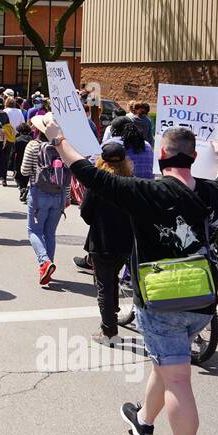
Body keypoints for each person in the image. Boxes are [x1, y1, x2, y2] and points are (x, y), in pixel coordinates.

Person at [45, 117, 218, 435]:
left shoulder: (145, 192)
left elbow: (88, 172)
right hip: (201, 298)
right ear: (194, 156)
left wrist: (57, 138)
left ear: (162, 154)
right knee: (166, 362)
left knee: (178, 378)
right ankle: (144, 423)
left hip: (162, 298)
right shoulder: (212, 191)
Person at [81, 141, 135, 346]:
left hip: (102, 241)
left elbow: (86, 214)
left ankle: (109, 330)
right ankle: (112, 314)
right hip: (124, 241)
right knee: (112, 279)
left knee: (104, 284)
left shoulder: (98, 183)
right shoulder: (130, 181)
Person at [20, 122, 71, 284]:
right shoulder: (63, 147)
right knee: (50, 233)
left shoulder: (33, 146)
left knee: (34, 231)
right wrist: (67, 197)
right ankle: (47, 270)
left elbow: (24, 170)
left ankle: (45, 262)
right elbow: (68, 176)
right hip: (59, 194)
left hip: (38, 193)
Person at [12, 121, 32, 203]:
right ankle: (25, 189)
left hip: (19, 161)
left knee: (18, 177)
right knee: (27, 177)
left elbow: (13, 152)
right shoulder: (31, 139)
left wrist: (11, 164)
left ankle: (22, 189)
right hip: (29, 160)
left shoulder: (17, 140)